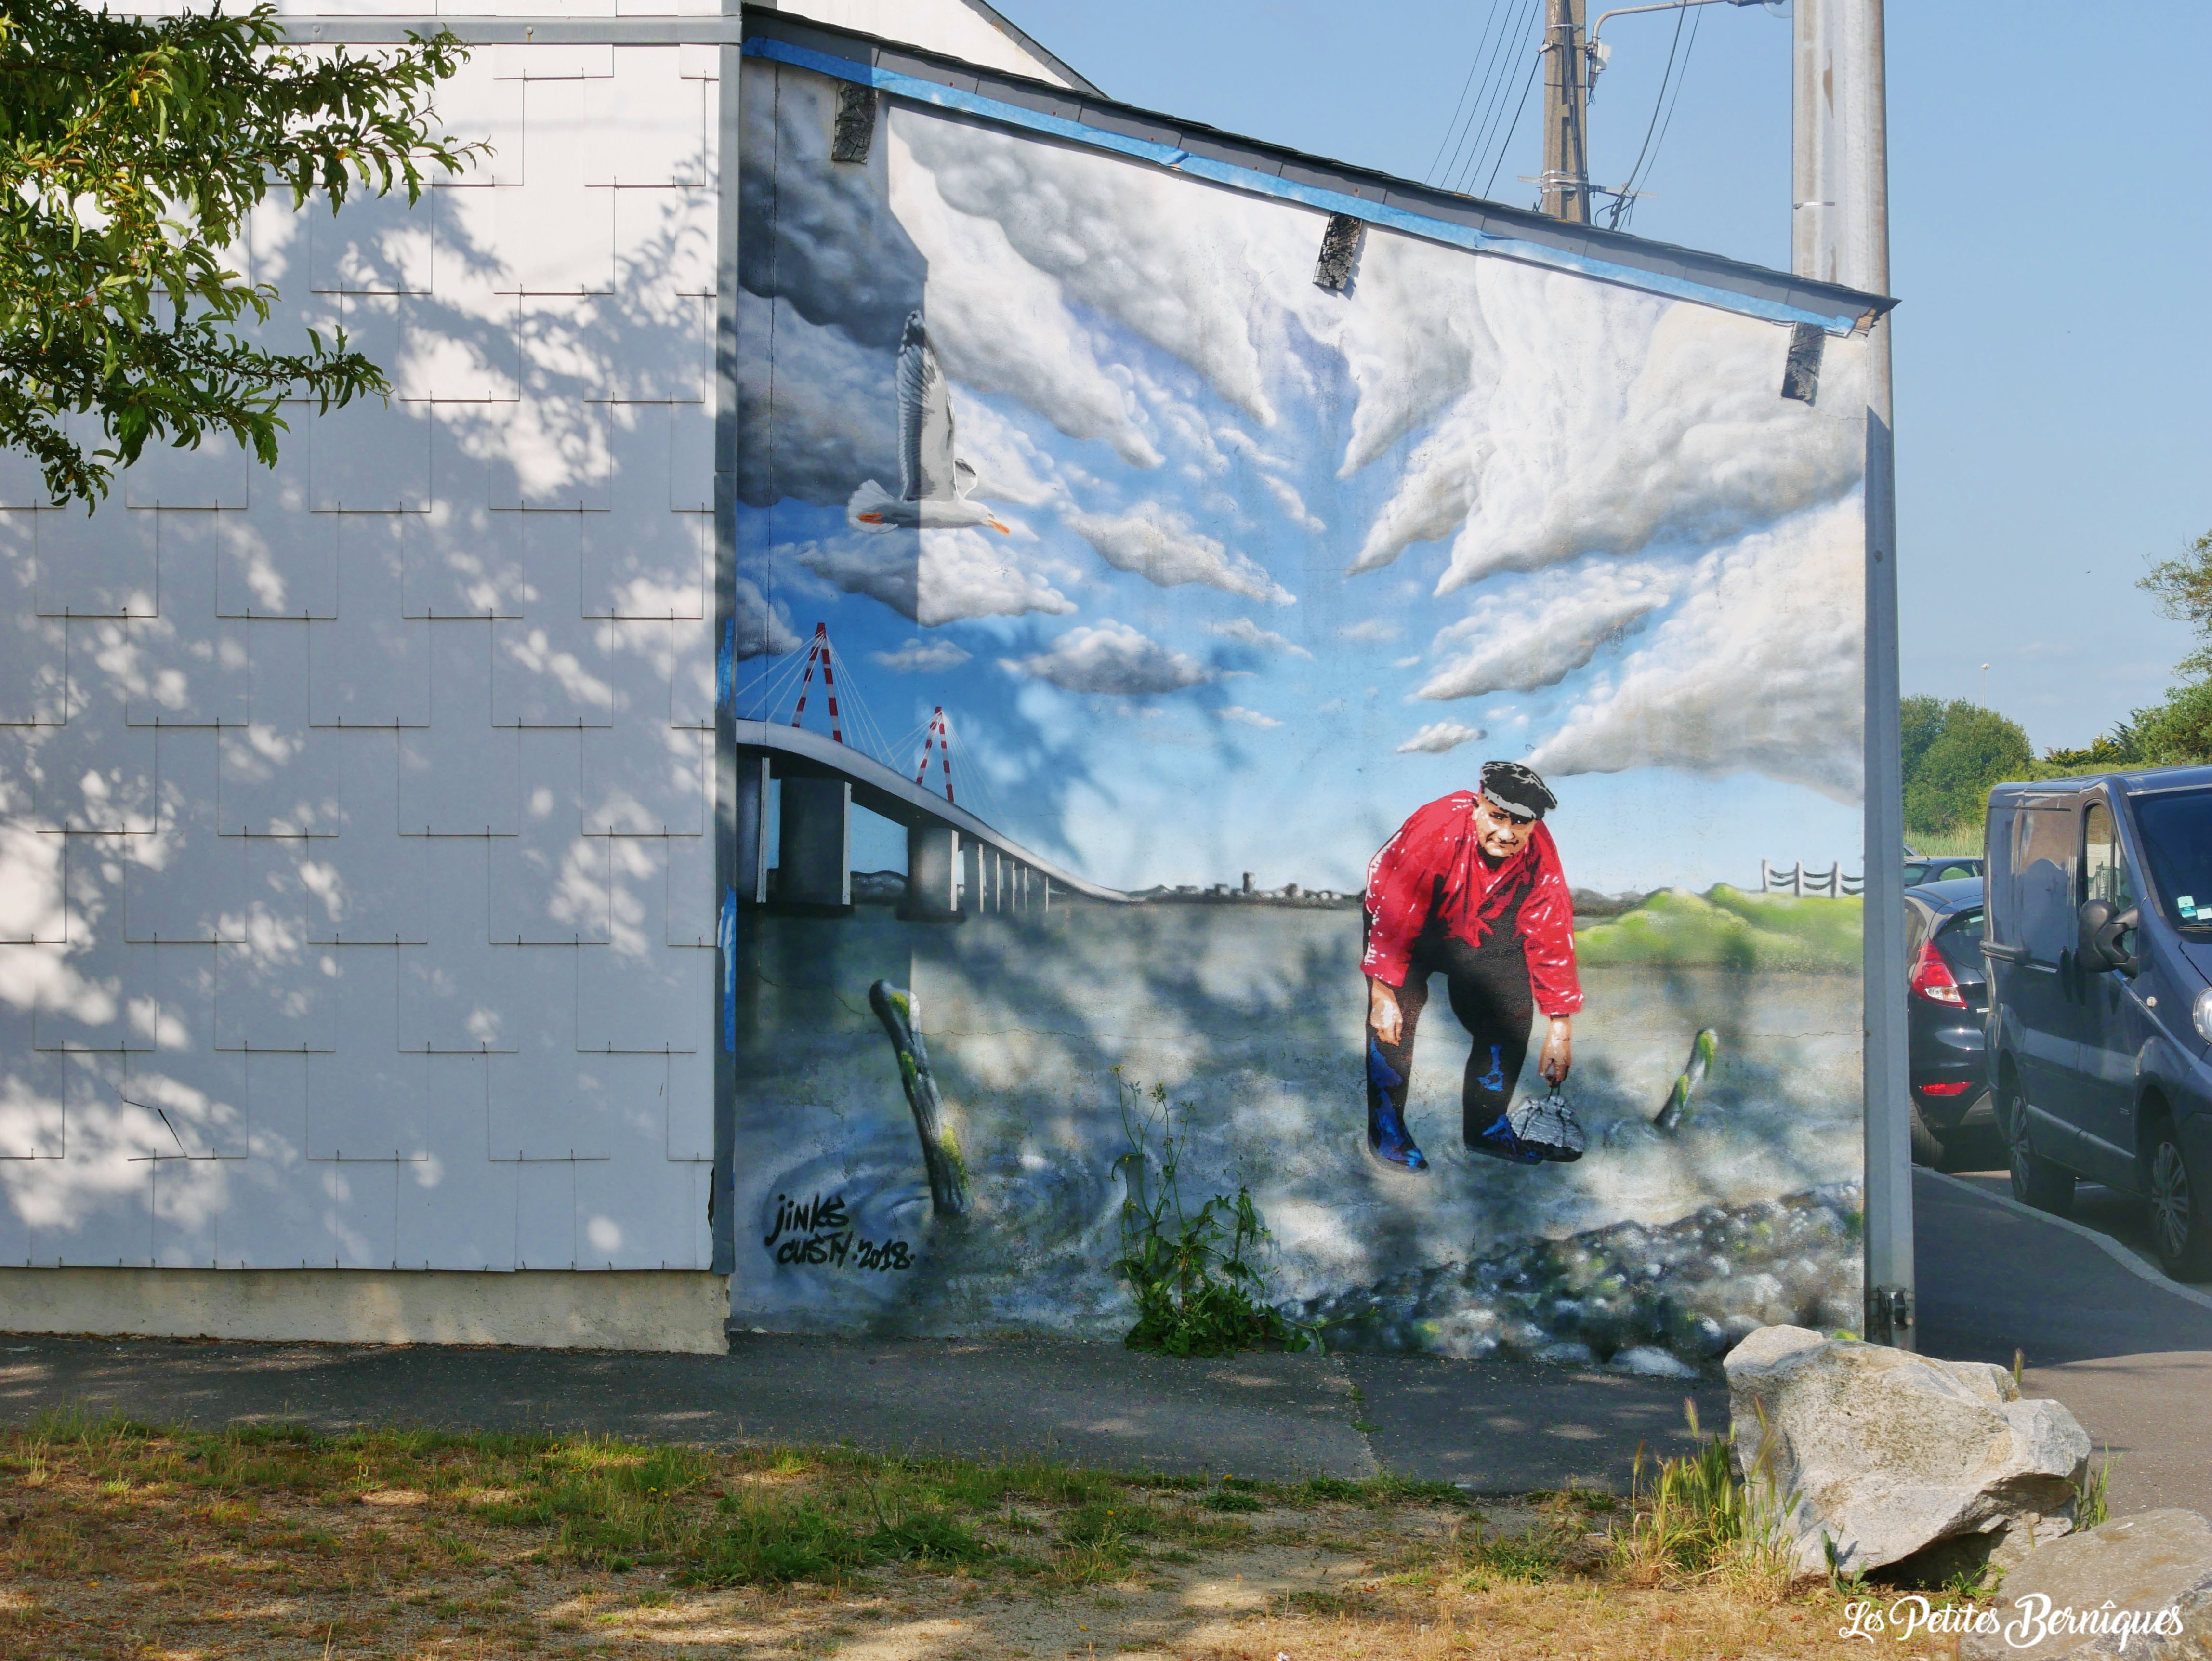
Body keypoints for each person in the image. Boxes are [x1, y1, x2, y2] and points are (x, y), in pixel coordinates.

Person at [1360, 760, 1581, 1172]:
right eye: (1497, 817)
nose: (1507, 833)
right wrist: (1382, 992)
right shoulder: (1438, 827)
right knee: (1393, 1022)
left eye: (1520, 823)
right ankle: (1386, 1128)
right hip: (1405, 921)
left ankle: (1487, 1129)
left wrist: (1560, 1026)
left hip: (1480, 927)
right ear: (1479, 804)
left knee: (1510, 1018)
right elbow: (1395, 910)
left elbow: (1551, 929)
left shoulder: (1539, 850)